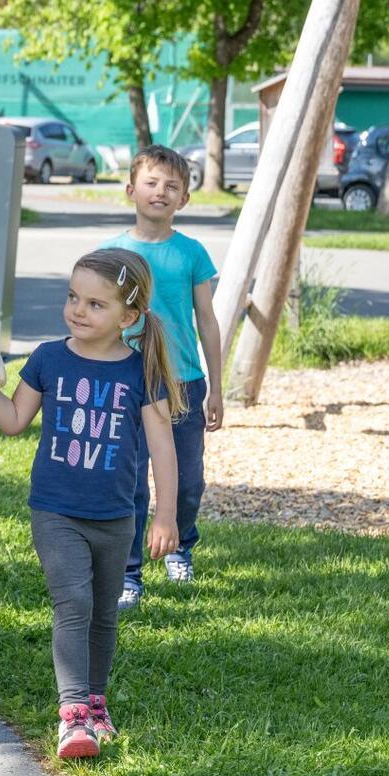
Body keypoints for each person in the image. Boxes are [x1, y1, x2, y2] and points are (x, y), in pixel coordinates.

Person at [0, 247, 181, 759]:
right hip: (55, 510)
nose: (77, 311)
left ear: (128, 317)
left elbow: (162, 446)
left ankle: (95, 702)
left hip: (116, 517)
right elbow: (13, 421)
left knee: (104, 615)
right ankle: (72, 718)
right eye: (73, 297)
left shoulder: (141, 371)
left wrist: (167, 514)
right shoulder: (49, 358)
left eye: (95, 304)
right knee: (75, 604)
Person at [102, 146, 222, 611]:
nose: (161, 192)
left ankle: (181, 546)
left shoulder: (192, 253)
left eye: (172, 186)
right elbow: (96, 319)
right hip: (128, 381)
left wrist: (215, 386)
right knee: (130, 483)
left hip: (184, 384)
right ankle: (129, 573)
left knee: (188, 481)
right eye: (152, 183)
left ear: (184, 199)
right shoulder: (112, 254)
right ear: (132, 190)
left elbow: (207, 321)